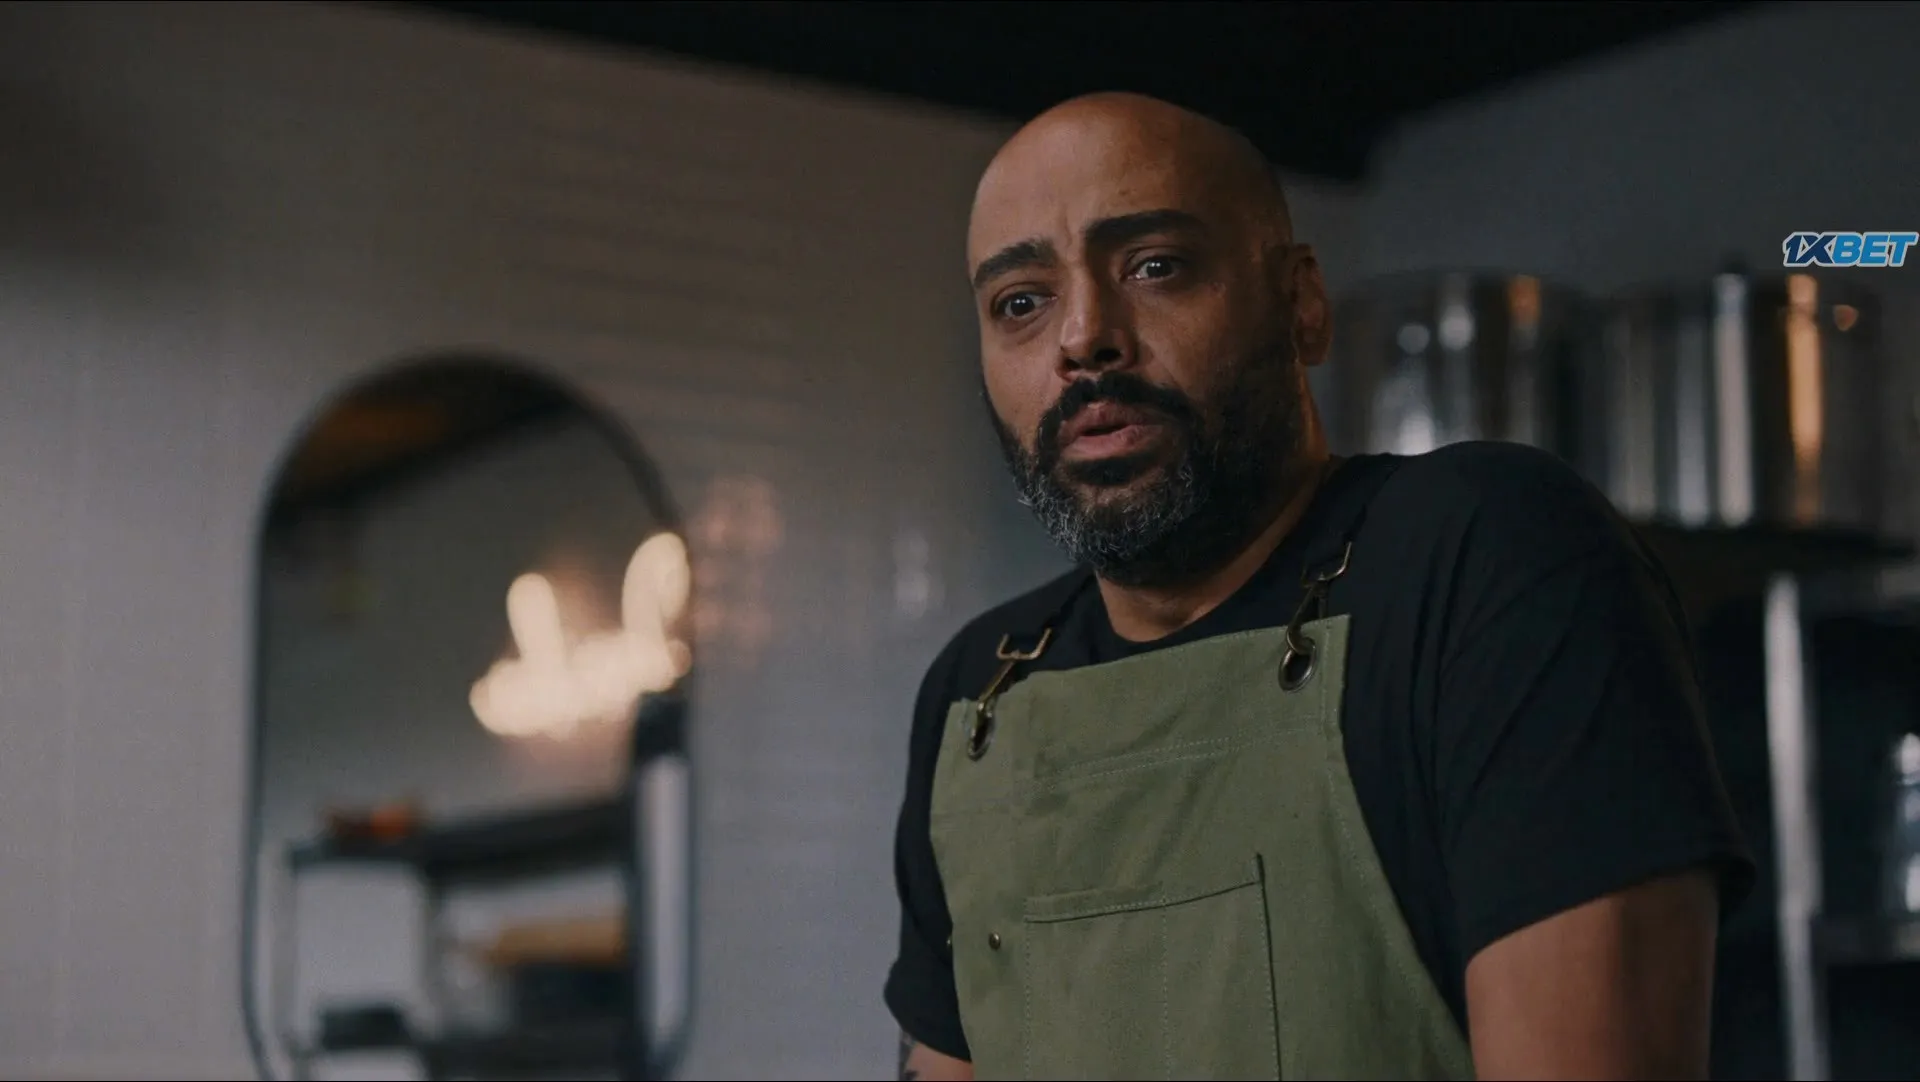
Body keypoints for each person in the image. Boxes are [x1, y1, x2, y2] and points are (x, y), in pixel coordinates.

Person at [884, 92, 1753, 1082]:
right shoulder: (981, 690)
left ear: (1301, 303)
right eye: (1020, 302)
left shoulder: (1486, 554)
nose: (1083, 337)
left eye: (1155, 265)